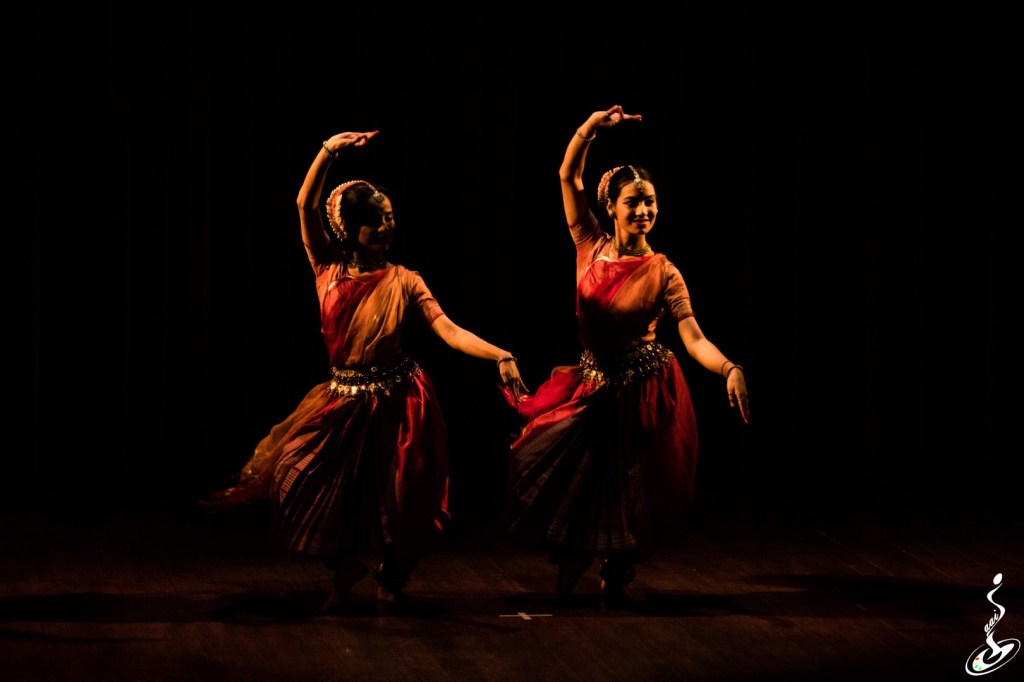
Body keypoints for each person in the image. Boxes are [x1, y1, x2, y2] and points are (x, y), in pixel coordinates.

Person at [209, 130, 527, 611]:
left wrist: (499, 354)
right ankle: (345, 568)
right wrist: (327, 152)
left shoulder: (406, 281)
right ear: (349, 229)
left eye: (389, 218)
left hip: (401, 403)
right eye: (374, 221)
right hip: (342, 400)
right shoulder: (327, 269)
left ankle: (393, 576)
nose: (385, 227)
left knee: (404, 499)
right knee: (297, 480)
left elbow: (447, 330)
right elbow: (304, 205)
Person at [500, 105, 750, 609]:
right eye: (633, 202)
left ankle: (616, 571)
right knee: (577, 479)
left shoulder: (664, 271)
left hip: (644, 392)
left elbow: (693, 337)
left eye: (650, 202)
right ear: (611, 207)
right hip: (593, 385)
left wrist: (729, 368)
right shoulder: (588, 244)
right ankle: (574, 569)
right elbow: (568, 175)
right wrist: (589, 130)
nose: (643, 211)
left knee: (631, 488)